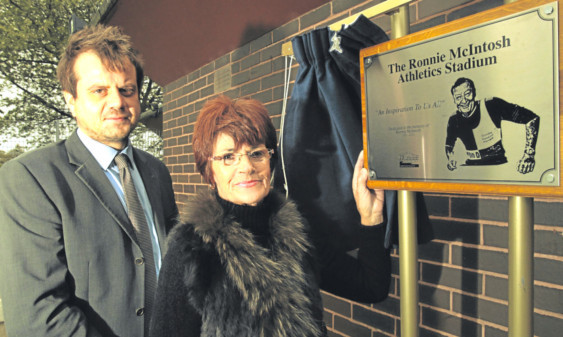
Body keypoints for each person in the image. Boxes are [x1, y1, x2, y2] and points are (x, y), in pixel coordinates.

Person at [149, 96, 390, 337]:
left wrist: (371, 217)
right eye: (228, 157)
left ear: (270, 160)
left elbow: (371, 286)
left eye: (256, 153)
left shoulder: (298, 232)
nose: (246, 167)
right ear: (210, 171)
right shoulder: (190, 247)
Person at [0, 25, 178, 337]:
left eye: (127, 90)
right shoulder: (30, 179)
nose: (118, 102)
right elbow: (38, 316)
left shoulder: (156, 172)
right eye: (99, 91)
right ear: (71, 99)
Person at [445, 77, 540, 173]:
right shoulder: (454, 119)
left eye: (467, 94)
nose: (464, 101)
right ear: (454, 100)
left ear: (474, 93)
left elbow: (531, 118)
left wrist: (529, 155)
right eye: (458, 97)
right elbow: (449, 144)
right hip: (471, 169)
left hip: (498, 167)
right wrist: (450, 158)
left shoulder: (491, 105)